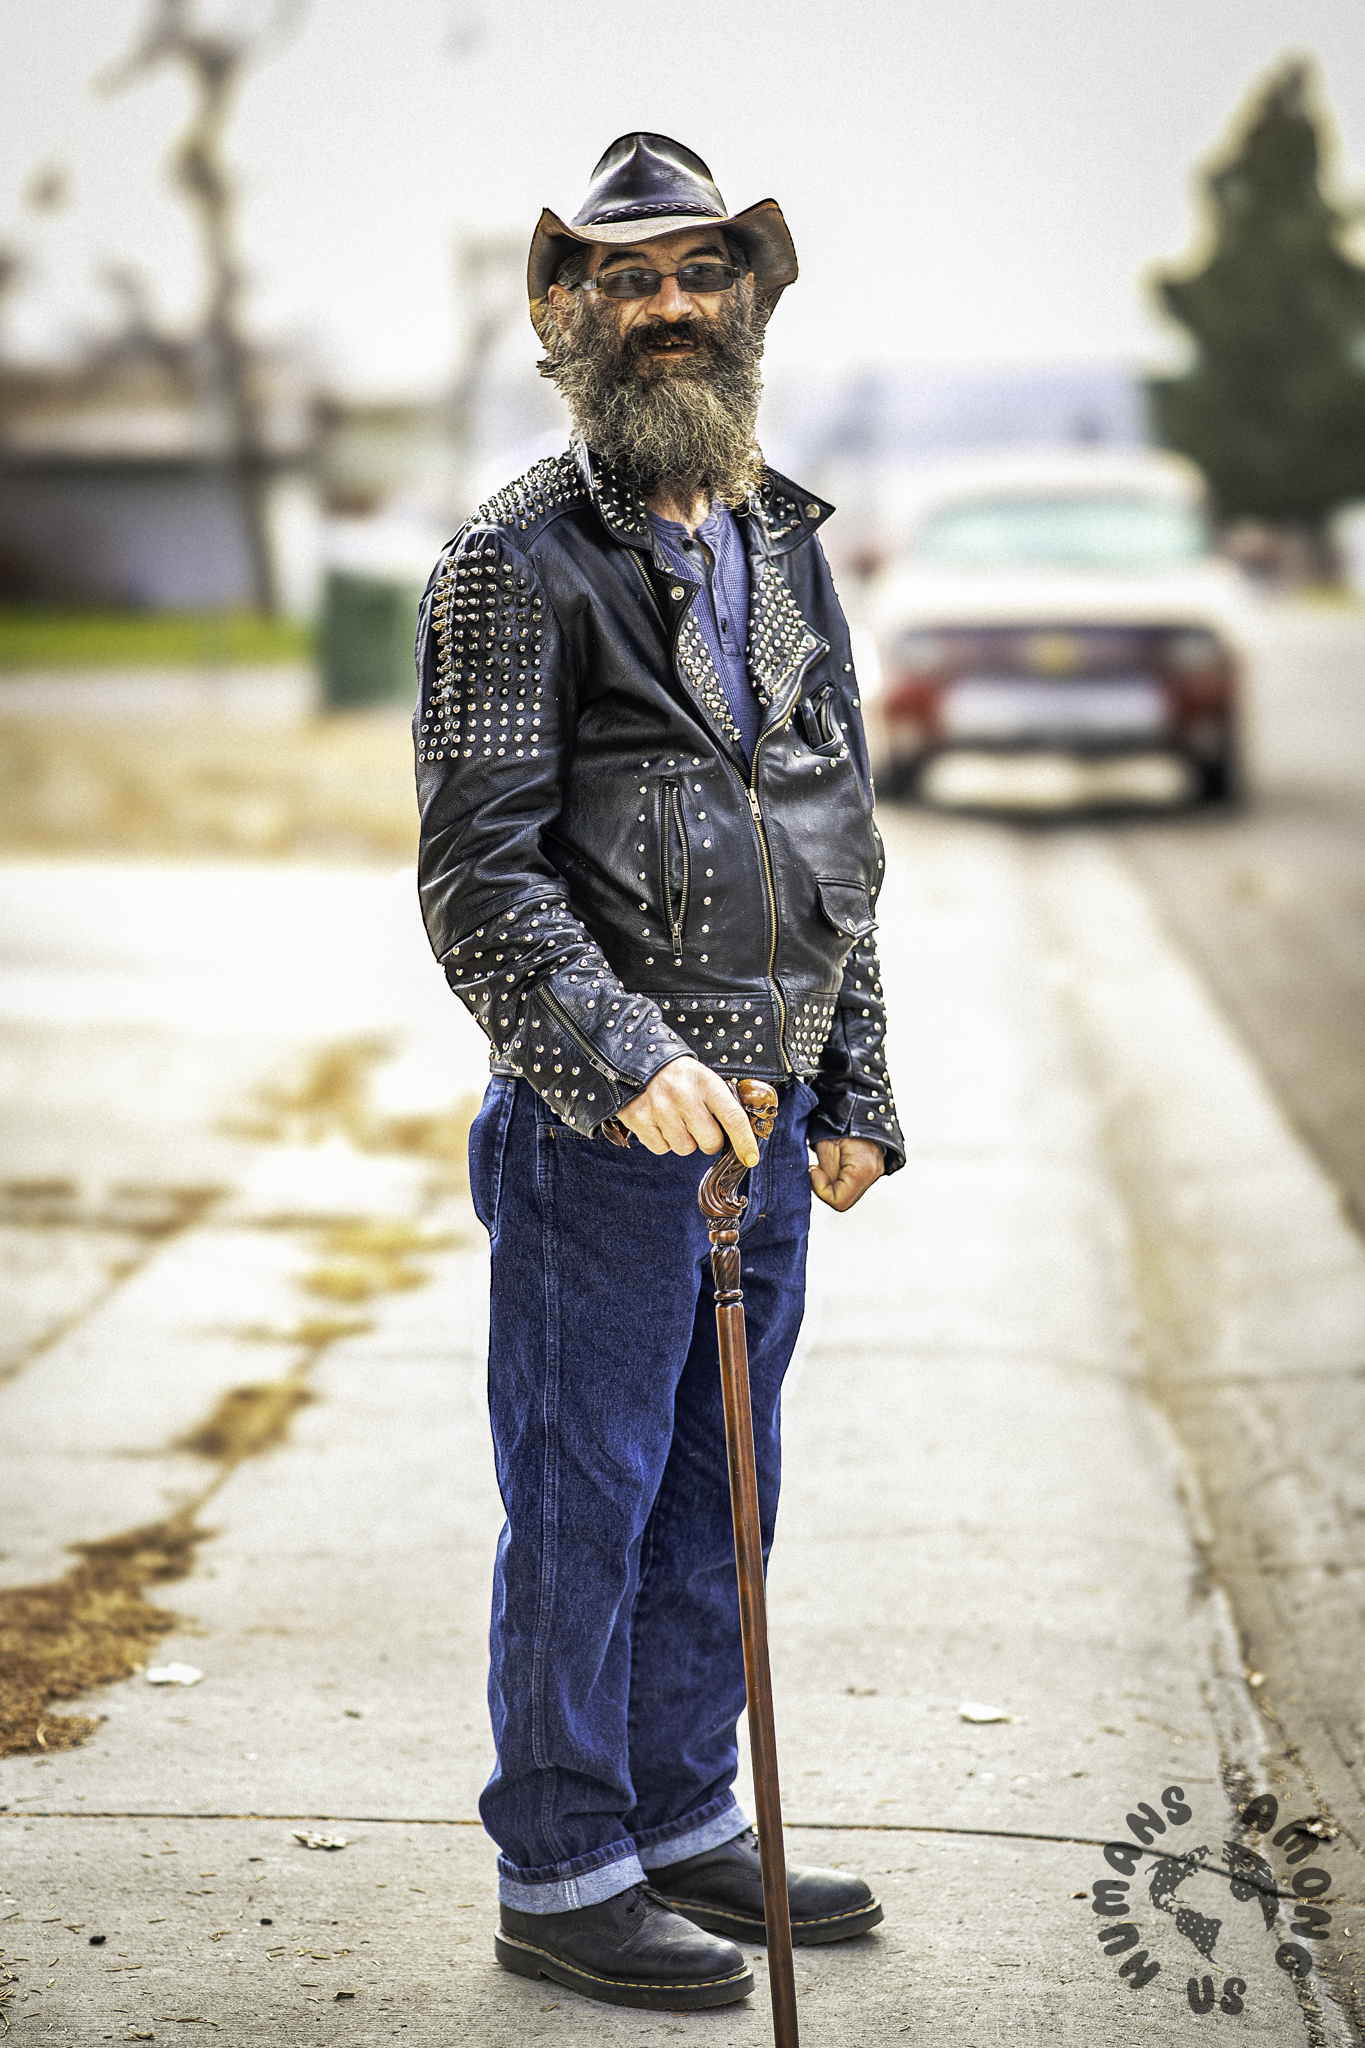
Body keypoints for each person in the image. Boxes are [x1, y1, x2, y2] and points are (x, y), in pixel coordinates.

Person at [414, 133, 904, 2013]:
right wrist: (623, 1061)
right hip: (596, 1132)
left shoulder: (779, 538)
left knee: (720, 1496)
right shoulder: (506, 560)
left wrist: (854, 1081)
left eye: (701, 272)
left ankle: (683, 1817)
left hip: (764, 1127)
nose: (670, 305)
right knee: (585, 1505)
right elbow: (479, 877)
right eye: (628, 278)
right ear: (569, 317)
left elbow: (830, 823)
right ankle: (560, 1868)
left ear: (751, 299)